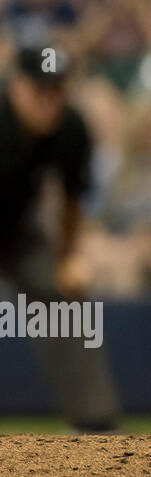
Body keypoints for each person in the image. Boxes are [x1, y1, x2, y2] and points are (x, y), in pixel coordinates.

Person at [0, 44, 119, 431]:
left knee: (68, 299)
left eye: (57, 91)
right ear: (16, 86)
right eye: (39, 91)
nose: (49, 102)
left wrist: (68, 256)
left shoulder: (70, 127)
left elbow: (72, 200)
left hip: (19, 234)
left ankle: (96, 425)